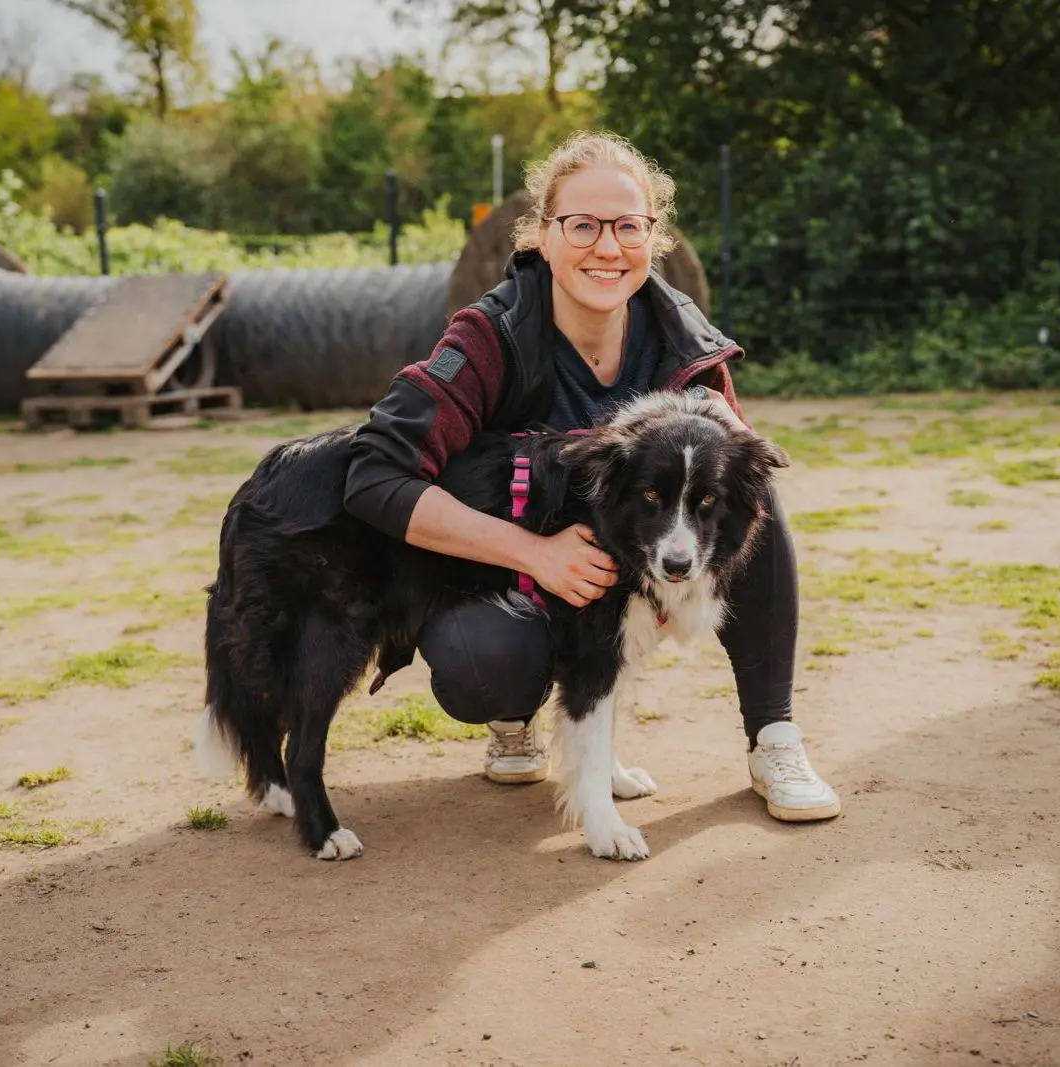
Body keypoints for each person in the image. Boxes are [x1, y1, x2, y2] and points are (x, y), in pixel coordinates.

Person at [344, 131, 839, 823]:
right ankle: (515, 715)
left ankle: (774, 737)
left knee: (749, 492)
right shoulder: (488, 337)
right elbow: (371, 474)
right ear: (542, 236)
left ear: (653, 237)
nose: (606, 248)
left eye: (627, 227)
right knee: (486, 664)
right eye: (581, 225)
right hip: (498, 574)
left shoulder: (682, 339)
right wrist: (532, 553)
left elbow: (728, 486)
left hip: (620, 572)